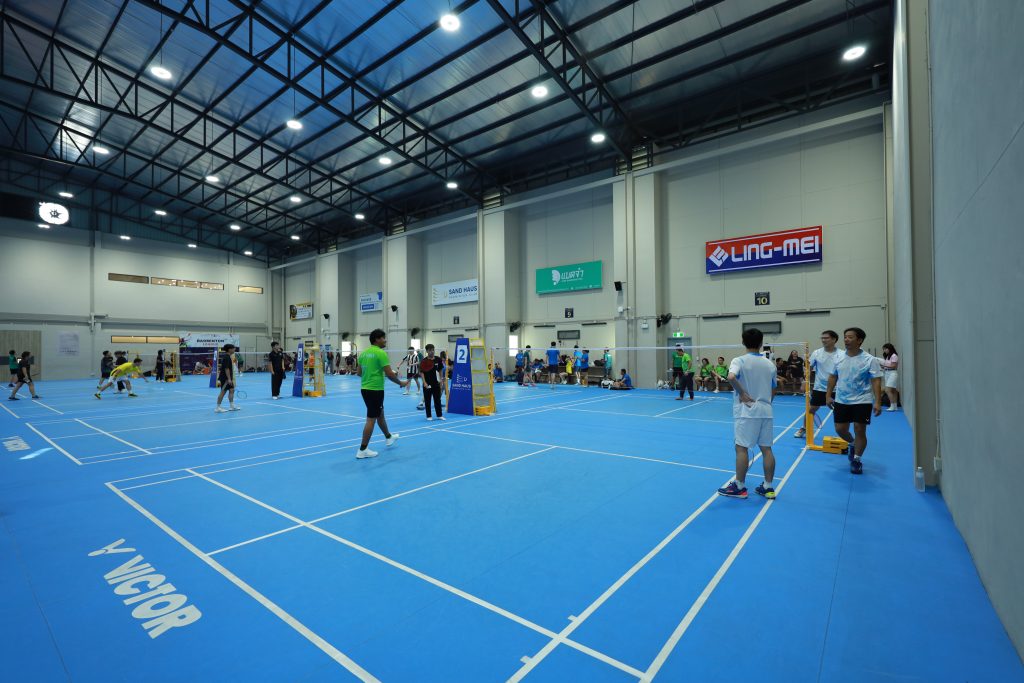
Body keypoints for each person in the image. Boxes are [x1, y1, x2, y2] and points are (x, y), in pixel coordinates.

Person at [717, 328, 778, 500]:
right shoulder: (770, 364)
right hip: (766, 410)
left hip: (747, 411)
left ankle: (739, 487)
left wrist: (742, 393)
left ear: (743, 342)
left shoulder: (739, 360)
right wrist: (765, 403)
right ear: (761, 343)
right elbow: (774, 389)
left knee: (741, 448)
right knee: (766, 449)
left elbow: (731, 377)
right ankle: (768, 487)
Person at [826, 327, 884, 475]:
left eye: (850, 337)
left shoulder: (870, 359)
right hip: (842, 399)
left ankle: (857, 460)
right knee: (840, 429)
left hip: (862, 400)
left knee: (859, 429)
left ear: (859, 340)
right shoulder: (838, 358)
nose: (846, 339)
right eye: (845, 337)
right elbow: (833, 376)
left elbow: (876, 381)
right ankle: (852, 444)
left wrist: (878, 402)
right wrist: (828, 395)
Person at [355, 329, 408, 459]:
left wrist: (373, 373)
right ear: (377, 339)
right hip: (375, 390)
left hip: (365, 389)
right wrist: (400, 383)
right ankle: (362, 450)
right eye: (383, 338)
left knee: (380, 414)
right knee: (371, 419)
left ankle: (388, 437)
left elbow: (359, 373)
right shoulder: (380, 353)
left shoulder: (363, 353)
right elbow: (389, 373)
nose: (385, 340)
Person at [795, 331, 841, 439]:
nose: (823, 340)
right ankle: (804, 427)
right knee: (811, 409)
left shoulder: (842, 354)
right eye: (822, 338)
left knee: (840, 411)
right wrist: (804, 382)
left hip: (837, 388)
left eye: (826, 338)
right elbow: (809, 369)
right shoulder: (817, 353)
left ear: (834, 339)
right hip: (820, 387)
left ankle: (843, 432)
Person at [420, 344, 445, 421]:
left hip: (436, 383)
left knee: (437, 400)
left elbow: (440, 370)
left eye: (433, 350)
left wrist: (441, 380)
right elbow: (422, 372)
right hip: (427, 383)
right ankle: (429, 416)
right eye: (430, 350)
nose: (432, 351)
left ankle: (439, 415)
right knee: (427, 400)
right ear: (427, 351)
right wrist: (424, 382)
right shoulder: (424, 361)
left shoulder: (438, 359)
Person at [214, 344, 241, 413]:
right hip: (225, 378)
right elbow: (226, 369)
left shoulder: (229, 357)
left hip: (229, 378)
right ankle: (217, 408)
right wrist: (229, 379)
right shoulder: (226, 357)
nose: (234, 349)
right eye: (233, 348)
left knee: (232, 390)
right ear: (229, 349)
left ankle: (232, 406)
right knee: (223, 392)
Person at [881, 343, 900, 411]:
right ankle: (895, 406)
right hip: (887, 373)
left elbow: (894, 366)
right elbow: (887, 366)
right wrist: (883, 367)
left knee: (887, 390)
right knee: (893, 390)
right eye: (883, 349)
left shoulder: (894, 355)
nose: (884, 350)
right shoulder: (887, 356)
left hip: (892, 373)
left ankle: (892, 406)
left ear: (889, 348)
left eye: (885, 349)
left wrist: (884, 366)